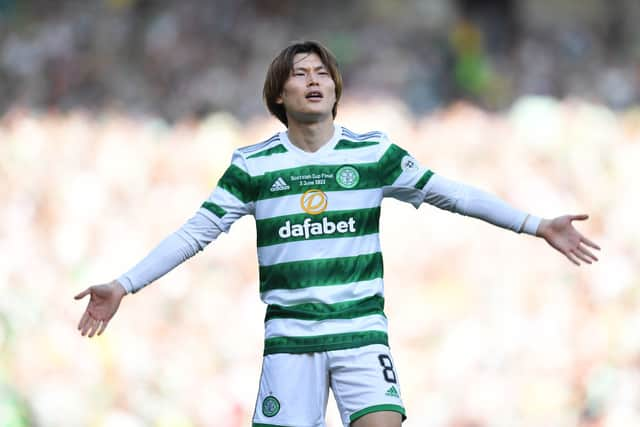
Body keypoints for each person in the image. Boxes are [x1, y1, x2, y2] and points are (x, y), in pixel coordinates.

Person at [75, 41, 600, 427]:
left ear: (335, 88)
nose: (313, 80)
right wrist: (125, 283)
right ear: (278, 94)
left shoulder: (372, 153)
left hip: (360, 332)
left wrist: (536, 225)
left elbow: (453, 193)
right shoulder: (253, 166)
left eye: (322, 73)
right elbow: (195, 232)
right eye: (300, 73)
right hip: (291, 340)